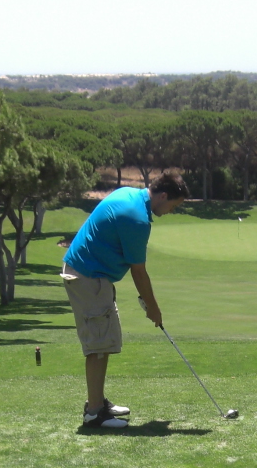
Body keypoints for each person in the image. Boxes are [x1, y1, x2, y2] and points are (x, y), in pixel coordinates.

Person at [60, 173, 189, 427]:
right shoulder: (137, 218)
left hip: (89, 273)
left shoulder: (128, 194)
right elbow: (138, 271)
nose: (171, 211)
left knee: (104, 340)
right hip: (88, 276)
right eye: (173, 206)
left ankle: (97, 401)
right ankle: (94, 414)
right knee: (99, 345)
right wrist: (153, 308)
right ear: (163, 196)